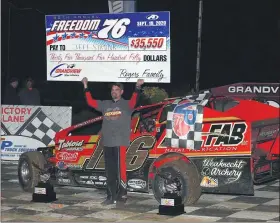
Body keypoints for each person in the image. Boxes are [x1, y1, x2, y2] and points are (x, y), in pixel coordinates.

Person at [82, 77, 144, 206]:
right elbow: (91, 102)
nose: (114, 92)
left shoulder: (126, 104)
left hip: (120, 141)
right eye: (112, 90)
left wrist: (137, 87)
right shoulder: (105, 104)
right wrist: (86, 86)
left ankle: (122, 195)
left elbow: (134, 100)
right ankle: (110, 196)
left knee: (120, 170)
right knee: (109, 171)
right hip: (107, 141)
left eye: (117, 90)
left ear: (121, 92)